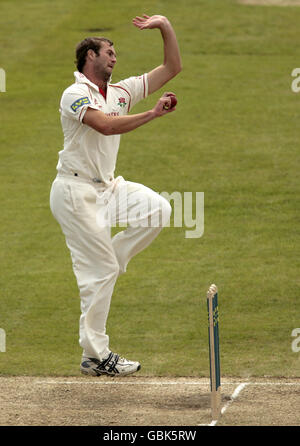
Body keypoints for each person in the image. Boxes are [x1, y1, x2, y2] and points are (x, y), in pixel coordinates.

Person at [50, 14, 182, 376]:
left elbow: (172, 66)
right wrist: (153, 114)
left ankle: (109, 260)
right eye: (109, 51)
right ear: (89, 56)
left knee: (158, 209)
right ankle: (95, 356)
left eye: (115, 53)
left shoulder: (121, 92)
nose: (114, 57)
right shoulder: (75, 94)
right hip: (75, 192)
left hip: (107, 187)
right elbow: (105, 126)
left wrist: (165, 25)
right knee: (100, 272)